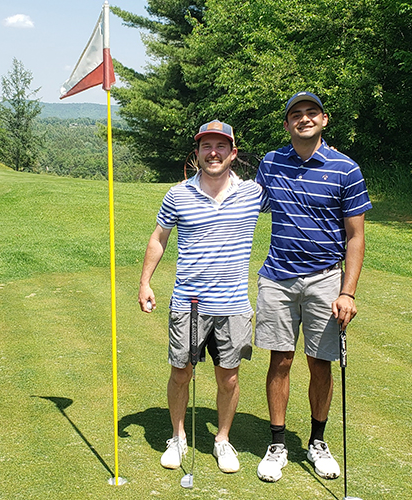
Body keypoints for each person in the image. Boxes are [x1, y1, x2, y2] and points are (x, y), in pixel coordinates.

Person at [254, 92, 372, 483]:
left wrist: (348, 292)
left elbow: (356, 237)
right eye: (295, 115)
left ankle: (317, 442)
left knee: (320, 363)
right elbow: (246, 205)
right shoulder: (271, 164)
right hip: (277, 278)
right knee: (280, 360)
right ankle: (277, 443)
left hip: (325, 279)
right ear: (287, 125)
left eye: (310, 113)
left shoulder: (346, 169)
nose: (303, 119)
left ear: (324, 119)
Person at [138, 120, 267, 474]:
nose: (213, 152)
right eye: (206, 146)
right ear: (196, 153)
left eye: (221, 146)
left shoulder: (253, 193)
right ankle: (178, 437)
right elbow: (159, 238)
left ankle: (222, 439)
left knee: (229, 378)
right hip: (189, 304)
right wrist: (145, 282)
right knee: (181, 373)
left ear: (233, 153)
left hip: (234, 305)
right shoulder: (178, 194)